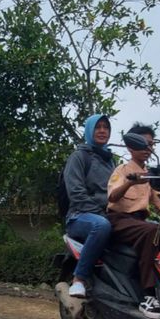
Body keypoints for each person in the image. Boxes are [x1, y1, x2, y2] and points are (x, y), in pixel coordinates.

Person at [106, 124, 160, 319]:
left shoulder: (150, 175)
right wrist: (131, 181)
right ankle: (148, 295)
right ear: (132, 146)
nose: (148, 149)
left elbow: (159, 202)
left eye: (151, 145)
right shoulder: (123, 170)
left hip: (139, 223)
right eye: (144, 144)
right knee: (152, 231)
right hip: (119, 220)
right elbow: (113, 197)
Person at [63, 114, 115, 297]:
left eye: (106, 127)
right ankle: (79, 279)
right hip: (80, 216)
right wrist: (100, 213)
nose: (102, 131)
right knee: (101, 226)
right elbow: (76, 193)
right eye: (98, 127)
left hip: (107, 214)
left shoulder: (110, 160)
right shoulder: (79, 156)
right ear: (89, 130)